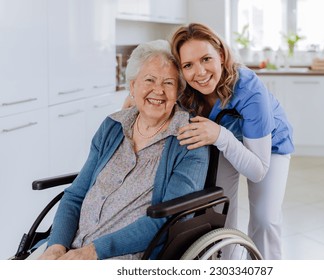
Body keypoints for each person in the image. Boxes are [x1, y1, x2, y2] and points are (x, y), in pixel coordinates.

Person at [35, 39, 209, 260]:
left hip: (122, 256)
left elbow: (169, 219)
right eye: (150, 80)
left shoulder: (189, 139)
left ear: (178, 93)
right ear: (133, 86)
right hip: (72, 245)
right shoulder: (113, 125)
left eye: (168, 83)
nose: (158, 90)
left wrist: (92, 252)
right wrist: (56, 245)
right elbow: (75, 195)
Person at [170, 23, 294, 260]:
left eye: (206, 59)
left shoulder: (249, 88)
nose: (200, 72)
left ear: (221, 54)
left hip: (270, 146)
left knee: (265, 220)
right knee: (219, 214)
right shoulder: (184, 90)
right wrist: (132, 100)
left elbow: (258, 170)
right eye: (188, 65)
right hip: (219, 141)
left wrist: (220, 135)